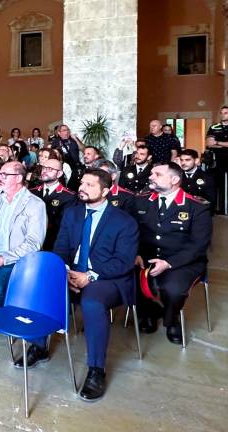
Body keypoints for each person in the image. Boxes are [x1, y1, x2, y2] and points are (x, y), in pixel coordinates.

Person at [20, 168, 138, 402]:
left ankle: (96, 370)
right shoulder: (72, 213)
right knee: (45, 284)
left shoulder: (124, 221)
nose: (82, 188)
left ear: (106, 191)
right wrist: (64, 273)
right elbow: (61, 248)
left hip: (107, 279)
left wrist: (89, 276)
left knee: (92, 302)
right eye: (82, 183)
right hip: (73, 272)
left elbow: (123, 262)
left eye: (90, 185)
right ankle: (39, 345)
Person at [135, 162, 212, 345]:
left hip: (183, 261)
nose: (151, 177)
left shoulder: (197, 207)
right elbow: (131, 231)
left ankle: (171, 320)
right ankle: (150, 312)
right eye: (152, 173)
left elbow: (199, 245)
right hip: (145, 257)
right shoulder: (142, 200)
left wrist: (169, 263)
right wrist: (135, 253)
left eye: (157, 174)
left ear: (175, 180)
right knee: (125, 277)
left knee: (173, 289)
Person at [0, 162, 47, 308]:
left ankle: (5, 317)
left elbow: (33, 243)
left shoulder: (35, 204)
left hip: (14, 261)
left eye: (5, 175)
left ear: (18, 178)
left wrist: (2, 259)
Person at [31, 158, 76, 251]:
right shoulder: (32, 192)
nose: (44, 171)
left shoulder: (69, 196)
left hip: (53, 243)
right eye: (43, 168)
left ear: (59, 174)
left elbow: (64, 226)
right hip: (32, 242)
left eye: (50, 169)